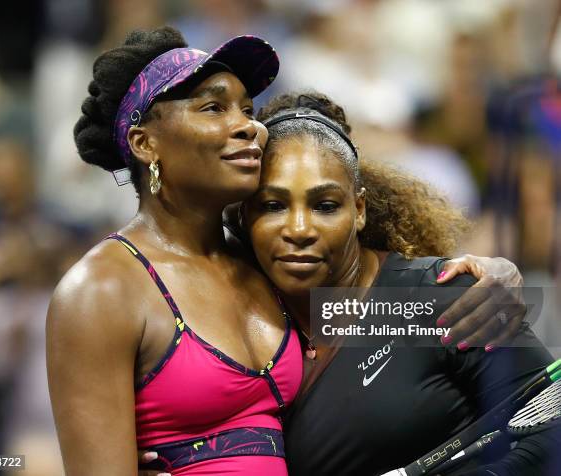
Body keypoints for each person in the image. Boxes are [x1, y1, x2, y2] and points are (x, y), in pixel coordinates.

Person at [48, 27, 528, 476]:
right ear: (144, 143)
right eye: (214, 108)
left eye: (247, 111)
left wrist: (487, 277)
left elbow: (389, 308)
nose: (249, 129)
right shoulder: (100, 291)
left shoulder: (265, 264)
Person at [241, 92, 560, 475]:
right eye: (273, 205)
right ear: (244, 216)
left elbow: (550, 420)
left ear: (359, 210)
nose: (298, 229)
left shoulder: (443, 295)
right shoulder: (229, 316)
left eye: (324, 205)